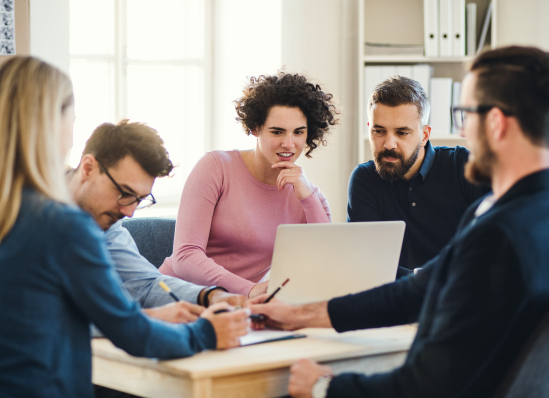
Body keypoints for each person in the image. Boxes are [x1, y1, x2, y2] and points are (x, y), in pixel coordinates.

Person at [250, 46, 549, 397]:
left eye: (464, 113)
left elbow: (427, 384)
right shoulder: (546, 212)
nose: (463, 131)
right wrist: (298, 315)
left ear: (496, 123)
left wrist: (323, 388)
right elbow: (420, 291)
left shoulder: (501, 236)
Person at [0, 56, 248, 398]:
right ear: (51, 125)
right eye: (71, 120)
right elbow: (131, 331)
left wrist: (207, 295)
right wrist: (206, 332)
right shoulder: (63, 225)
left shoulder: (18, 212)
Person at [159, 71, 338, 298]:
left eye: (299, 132)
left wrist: (308, 198)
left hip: (241, 309)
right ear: (255, 128)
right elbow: (185, 256)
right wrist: (248, 290)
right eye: (277, 131)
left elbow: (325, 266)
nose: (289, 143)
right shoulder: (215, 168)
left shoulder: (311, 196)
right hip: (180, 296)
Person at [67, 120, 245, 324]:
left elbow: (145, 284)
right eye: (124, 193)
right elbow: (43, 314)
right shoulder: (33, 212)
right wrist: (148, 317)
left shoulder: (104, 221)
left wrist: (210, 296)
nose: (129, 212)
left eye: (139, 199)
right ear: (88, 168)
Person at [348, 76, 489, 277]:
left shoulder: (463, 165)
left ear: (424, 135)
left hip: (457, 297)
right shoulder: (365, 179)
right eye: (379, 131)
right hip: (393, 301)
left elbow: (498, 245)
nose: (389, 144)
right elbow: (365, 264)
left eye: (402, 133)